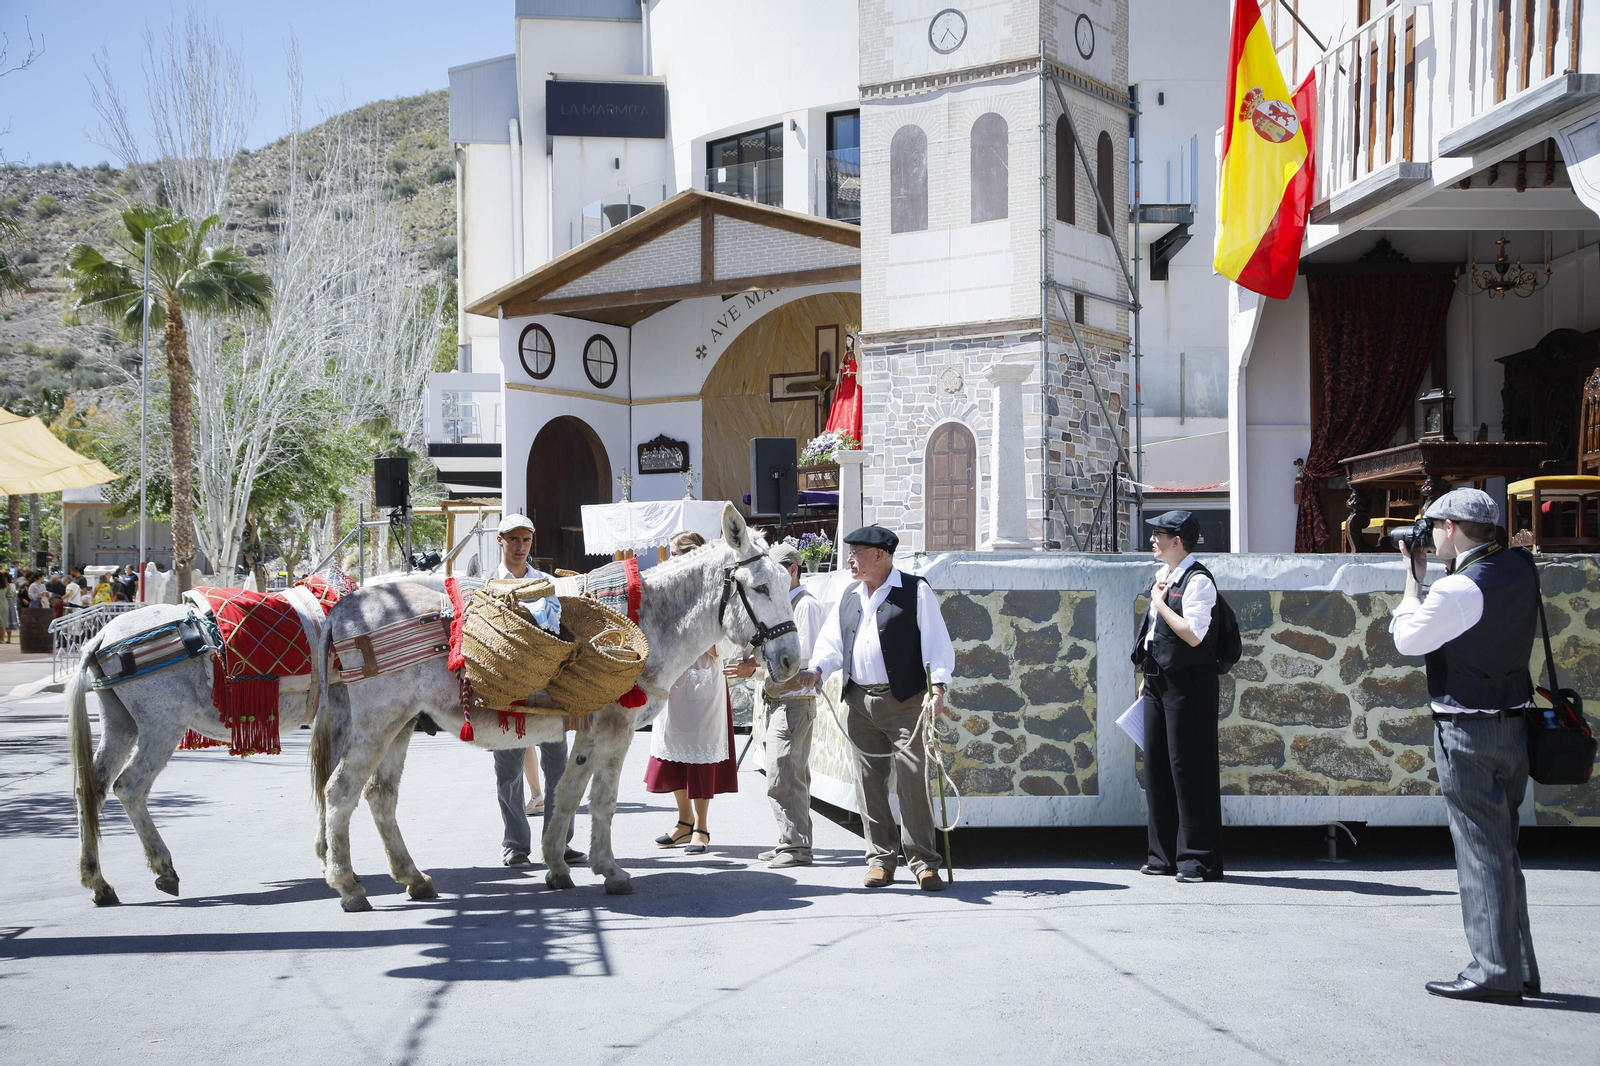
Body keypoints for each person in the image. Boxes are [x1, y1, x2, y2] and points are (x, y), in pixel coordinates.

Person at [1390, 488, 1541, 1005]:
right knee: (1503, 851)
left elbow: (1408, 640)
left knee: (1480, 853)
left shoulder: (1458, 589)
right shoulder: (1521, 567)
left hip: (1466, 731)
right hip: (1514, 726)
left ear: (1451, 528)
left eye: (1434, 527)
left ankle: (1494, 971)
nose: (1430, 537)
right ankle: (1518, 966)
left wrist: (1413, 581)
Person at [794, 524, 955, 891]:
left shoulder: (916, 591)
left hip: (905, 703)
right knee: (869, 784)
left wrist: (938, 688)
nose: (849, 559)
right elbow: (833, 643)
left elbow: (937, 646)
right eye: (849, 552)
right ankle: (881, 860)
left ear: (879, 555)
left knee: (914, 781)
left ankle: (924, 863)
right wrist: (818, 670)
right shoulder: (851, 594)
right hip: (859, 702)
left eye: (856, 552)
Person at [1130, 510, 1224, 884]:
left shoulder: (1198, 580)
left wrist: (1160, 603)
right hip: (1158, 680)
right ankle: (1162, 856)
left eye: (1159, 535)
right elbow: (1157, 634)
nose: (1153, 540)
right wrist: (1147, 672)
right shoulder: (1164, 577)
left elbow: (1193, 635)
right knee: (1156, 766)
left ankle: (1197, 862)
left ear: (1178, 541)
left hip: (1189, 684)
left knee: (1190, 769)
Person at [488, 513, 581, 869]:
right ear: (501, 541)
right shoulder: (487, 584)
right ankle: (515, 846)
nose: (520, 546)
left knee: (559, 768)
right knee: (508, 771)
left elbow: (562, 629)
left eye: (525, 540)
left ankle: (558, 842)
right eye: (513, 539)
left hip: (547, 689)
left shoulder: (547, 582)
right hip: (507, 690)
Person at [726, 541, 828, 869]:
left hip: (794, 701)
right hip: (782, 701)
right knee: (786, 774)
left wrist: (752, 671)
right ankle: (790, 841)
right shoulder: (790, 604)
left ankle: (796, 847)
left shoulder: (806, 607)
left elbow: (802, 663)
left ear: (793, 570)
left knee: (783, 775)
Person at [646, 531, 738, 856]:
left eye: (679, 553)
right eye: (671, 553)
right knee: (673, 755)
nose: (673, 560)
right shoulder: (669, 592)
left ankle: (702, 826)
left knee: (699, 757)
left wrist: (703, 640)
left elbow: (730, 639)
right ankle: (683, 823)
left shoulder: (716, 593)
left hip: (703, 679)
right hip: (673, 682)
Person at [0, 572, 15, 643]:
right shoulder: (6, 585)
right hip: (3, 604)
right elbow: (10, 595)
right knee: (2, 623)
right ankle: (2, 639)